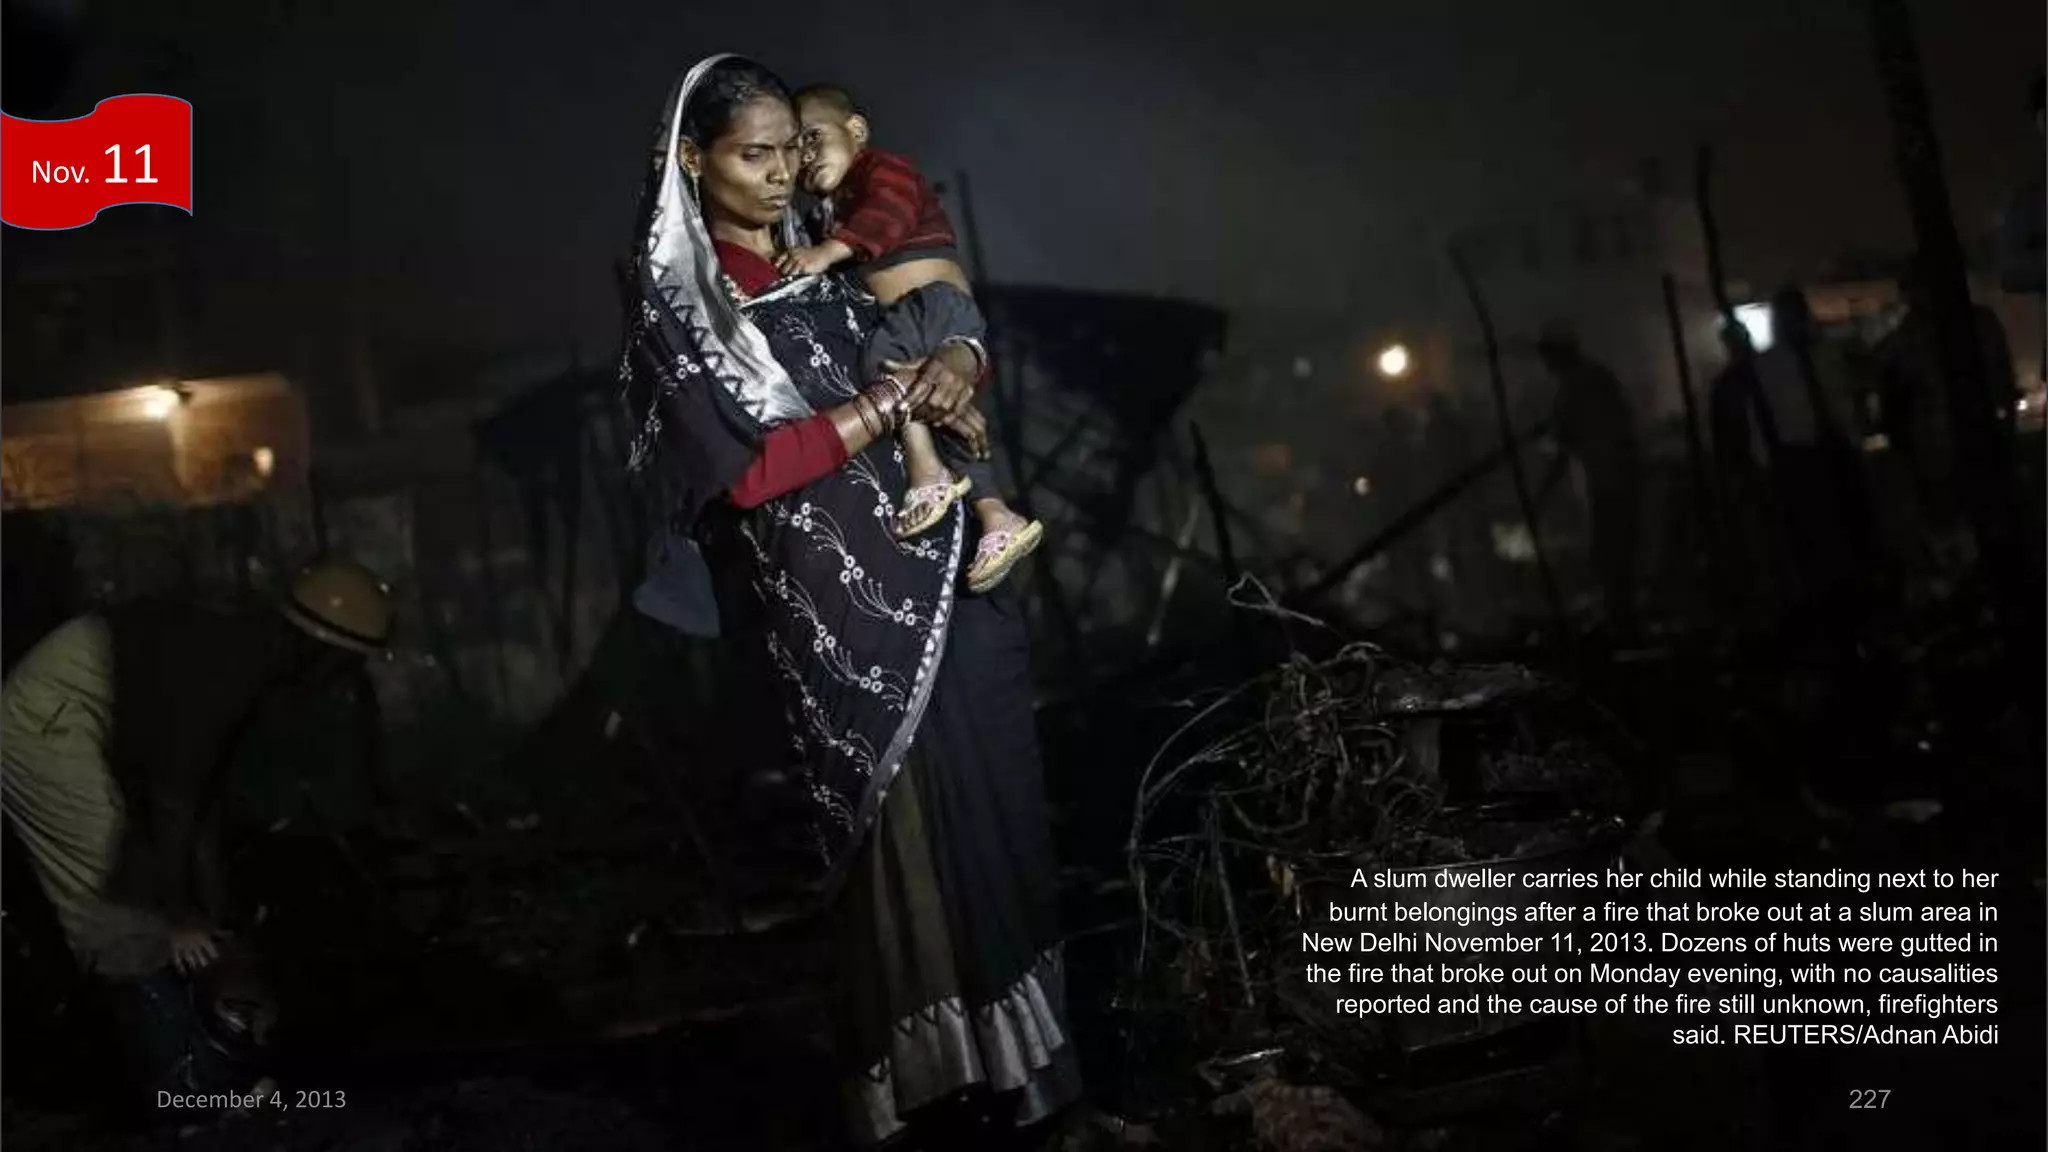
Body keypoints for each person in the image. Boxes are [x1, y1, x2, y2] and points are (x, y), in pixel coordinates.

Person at [621, 55, 1079, 1146]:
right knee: (903, 837)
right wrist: (883, 412)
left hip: (951, 563)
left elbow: (929, 310)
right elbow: (744, 476)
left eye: (790, 149)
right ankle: (933, 1088)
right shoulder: (683, 306)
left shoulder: (825, 249)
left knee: (995, 798)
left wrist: (960, 362)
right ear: (692, 159)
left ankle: (1028, 1073)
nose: (781, 175)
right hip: (843, 611)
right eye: (751, 154)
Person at [0, 557, 392, 1116]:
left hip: (89, 716)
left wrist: (215, 912)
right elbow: (172, 798)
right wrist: (182, 914)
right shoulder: (233, 665)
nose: (346, 681)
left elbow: (201, 800)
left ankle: (212, 1071)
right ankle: (188, 1099)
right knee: (122, 906)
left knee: (162, 903)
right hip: (47, 721)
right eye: (349, 666)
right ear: (323, 647)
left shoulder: (253, 659)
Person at [779, 82, 1043, 595]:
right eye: (795, 150)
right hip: (915, 325)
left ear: (855, 131)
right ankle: (998, 517)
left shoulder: (882, 172)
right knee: (952, 427)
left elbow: (889, 215)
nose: (805, 157)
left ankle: (926, 473)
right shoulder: (826, 213)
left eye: (813, 138)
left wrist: (827, 253)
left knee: (880, 365)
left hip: (933, 308)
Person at [1533, 322, 1644, 636]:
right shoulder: (1597, 378)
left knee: (1610, 552)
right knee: (1618, 551)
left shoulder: (1576, 387)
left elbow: (1565, 442)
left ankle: (1621, 620)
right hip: (1619, 474)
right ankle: (1622, 615)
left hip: (1609, 478)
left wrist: (1542, 493)